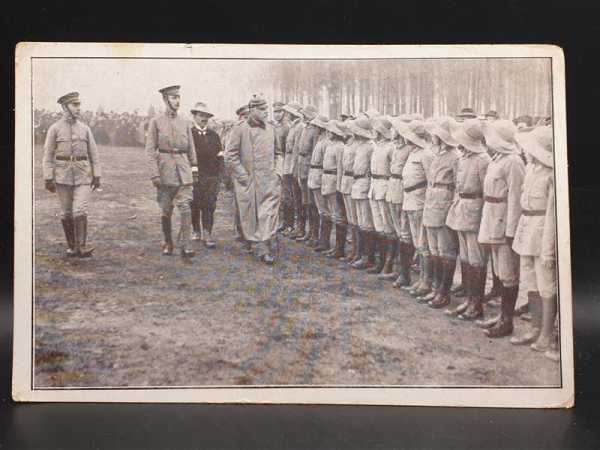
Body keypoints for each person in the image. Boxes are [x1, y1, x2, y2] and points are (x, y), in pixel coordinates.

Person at [511, 126, 558, 359]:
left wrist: (548, 250)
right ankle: (535, 328)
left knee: (546, 285)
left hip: (542, 233)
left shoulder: (551, 174)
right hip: (526, 229)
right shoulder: (530, 169)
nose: (526, 152)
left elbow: (551, 215)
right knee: (530, 282)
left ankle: (547, 335)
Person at [477, 119, 525, 337]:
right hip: (491, 217)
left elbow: (516, 198)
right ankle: (502, 316)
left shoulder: (514, 162)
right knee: (499, 270)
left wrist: (511, 231)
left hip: (504, 222)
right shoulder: (498, 159)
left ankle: (507, 321)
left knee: (508, 274)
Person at [224, 94, 282, 265]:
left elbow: (278, 153)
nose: (266, 113)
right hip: (249, 182)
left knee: (268, 213)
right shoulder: (240, 129)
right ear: (253, 110)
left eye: (267, 109)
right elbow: (230, 155)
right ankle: (257, 243)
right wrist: (242, 175)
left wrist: (278, 172)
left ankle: (264, 248)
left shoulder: (271, 129)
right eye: (263, 110)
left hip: (269, 181)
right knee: (251, 216)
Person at [42, 92, 102, 257]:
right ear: (64, 107)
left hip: (83, 175)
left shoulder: (85, 128)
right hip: (62, 176)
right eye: (74, 105)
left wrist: (97, 175)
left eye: (79, 105)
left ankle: (81, 247)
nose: (78, 108)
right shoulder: (54, 129)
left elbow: (94, 154)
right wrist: (48, 177)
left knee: (79, 210)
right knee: (66, 212)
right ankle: (71, 247)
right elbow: (47, 155)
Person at [445, 119, 491, 319]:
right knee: (465, 257)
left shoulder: (483, 160)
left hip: (474, 211)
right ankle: (469, 299)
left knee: (476, 259)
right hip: (461, 208)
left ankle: (476, 303)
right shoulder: (464, 158)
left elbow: (485, 192)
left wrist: (481, 217)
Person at [145, 85, 198, 258]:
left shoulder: (185, 122)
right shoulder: (156, 122)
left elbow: (191, 148)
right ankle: (168, 242)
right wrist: (154, 173)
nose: (177, 101)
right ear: (165, 99)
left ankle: (186, 244)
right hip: (165, 170)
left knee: (185, 207)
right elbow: (150, 150)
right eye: (174, 97)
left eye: (179, 97)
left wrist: (194, 168)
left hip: (183, 170)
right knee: (166, 210)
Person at [420, 117, 460, 309]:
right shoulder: (437, 154)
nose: (433, 136)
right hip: (431, 202)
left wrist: (451, 207)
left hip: (444, 205)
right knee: (434, 249)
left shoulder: (455, 156)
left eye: (436, 134)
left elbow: (458, 186)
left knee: (446, 251)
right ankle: (436, 288)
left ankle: (444, 292)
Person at [396, 119, 434, 297]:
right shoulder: (414, 152)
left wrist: (426, 201)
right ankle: (411, 277)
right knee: (409, 238)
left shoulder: (426, 154)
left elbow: (430, 181)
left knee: (422, 242)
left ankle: (426, 281)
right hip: (408, 198)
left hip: (419, 200)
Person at [367, 117, 397, 279]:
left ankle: (389, 264)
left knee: (388, 227)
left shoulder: (391, 148)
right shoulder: (377, 147)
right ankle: (380, 261)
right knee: (379, 226)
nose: (374, 132)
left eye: (377, 130)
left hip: (385, 185)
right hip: (374, 186)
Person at [189, 102, 223, 248]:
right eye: (201, 115)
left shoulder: (214, 135)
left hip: (211, 176)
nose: (204, 118)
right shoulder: (189, 134)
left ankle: (207, 233)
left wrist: (219, 174)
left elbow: (220, 155)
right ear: (194, 116)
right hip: (194, 176)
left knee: (210, 204)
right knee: (194, 203)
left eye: (206, 116)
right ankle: (196, 230)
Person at [387, 117, 414, 288]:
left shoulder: (409, 149)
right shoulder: (397, 148)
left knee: (405, 232)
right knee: (397, 230)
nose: (393, 132)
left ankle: (404, 273)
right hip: (393, 187)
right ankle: (397, 268)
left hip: (403, 191)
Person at [349, 118, 377, 270]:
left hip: (365, 183)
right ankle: (360, 254)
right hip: (356, 183)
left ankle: (369, 257)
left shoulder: (370, 147)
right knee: (360, 221)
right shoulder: (359, 146)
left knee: (367, 222)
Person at [321, 120, 349, 259]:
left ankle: (340, 248)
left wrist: (338, 187)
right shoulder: (331, 146)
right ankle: (335, 247)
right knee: (332, 213)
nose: (329, 133)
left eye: (331, 131)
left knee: (338, 215)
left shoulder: (340, 147)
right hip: (327, 179)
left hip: (333, 181)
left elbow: (340, 168)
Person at [295, 105, 320, 243]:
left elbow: (315, 151)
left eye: (305, 114)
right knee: (305, 201)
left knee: (312, 203)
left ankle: (314, 234)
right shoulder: (305, 128)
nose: (303, 116)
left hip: (310, 166)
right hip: (302, 166)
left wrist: (311, 169)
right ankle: (309, 232)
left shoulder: (315, 129)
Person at [307, 115, 332, 251]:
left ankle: (324, 240)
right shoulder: (320, 141)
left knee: (324, 210)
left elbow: (325, 164)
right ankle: (319, 239)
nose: (314, 128)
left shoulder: (326, 142)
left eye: (316, 127)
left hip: (320, 177)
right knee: (319, 209)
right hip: (314, 176)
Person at [338, 121, 360, 264]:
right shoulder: (348, 146)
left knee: (357, 219)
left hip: (355, 182)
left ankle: (358, 251)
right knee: (351, 219)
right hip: (346, 182)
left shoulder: (360, 146)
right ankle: (354, 251)